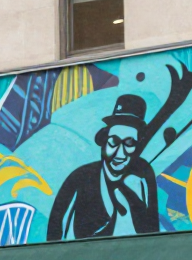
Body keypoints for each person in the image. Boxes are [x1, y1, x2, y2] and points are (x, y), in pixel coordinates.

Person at [45, 94, 160, 240]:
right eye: (114, 142)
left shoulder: (143, 173)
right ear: (103, 141)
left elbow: (153, 233)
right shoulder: (80, 178)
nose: (120, 153)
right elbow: (55, 233)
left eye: (129, 143)